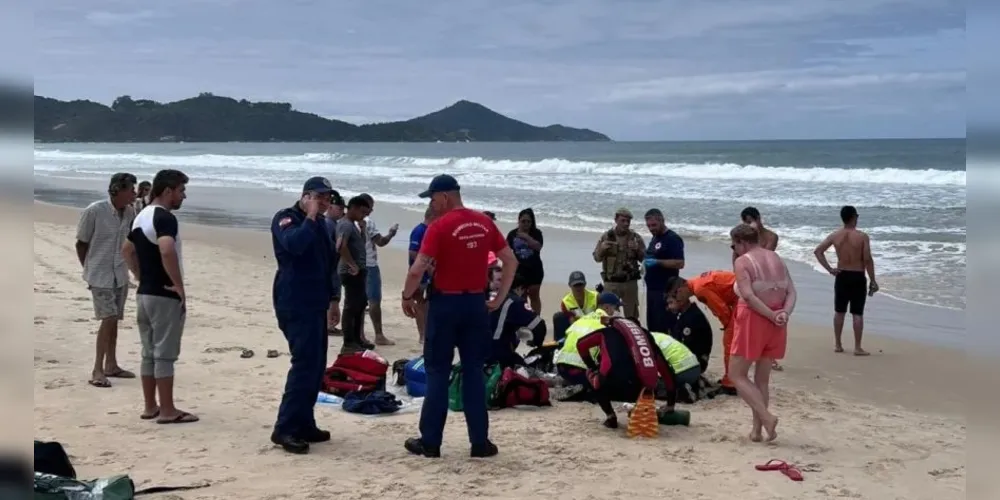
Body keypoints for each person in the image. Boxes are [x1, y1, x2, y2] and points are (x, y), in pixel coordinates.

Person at [400, 174, 516, 459]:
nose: (432, 204)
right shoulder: (484, 223)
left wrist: (406, 296)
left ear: (444, 197)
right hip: (475, 304)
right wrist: (498, 298)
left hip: (445, 304)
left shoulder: (439, 227)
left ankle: (430, 441)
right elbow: (510, 259)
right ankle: (479, 442)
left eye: (432, 198)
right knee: (474, 371)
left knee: (438, 371)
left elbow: (418, 269)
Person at [121, 169, 196, 425]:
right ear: (168, 191)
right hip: (164, 294)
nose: (183, 196)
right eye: (181, 191)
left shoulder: (141, 216)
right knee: (165, 354)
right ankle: (167, 409)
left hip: (145, 293)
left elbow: (127, 250)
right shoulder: (164, 218)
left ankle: (150, 406)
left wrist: (140, 275)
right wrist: (178, 285)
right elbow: (166, 249)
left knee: (148, 352)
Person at [268, 177, 336, 454]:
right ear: (306, 196)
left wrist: (334, 299)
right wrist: (309, 217)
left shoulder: (321, 224)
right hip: (294, 300)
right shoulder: (287, 218)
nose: (324, 203)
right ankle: (284, 427)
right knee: (304, 363)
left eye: (328, 198)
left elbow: (329, 262)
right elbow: (294, 245)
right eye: (319, 197)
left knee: (317, 365)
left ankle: (304, 421)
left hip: (317, 299)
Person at [730, 223, 797, 443]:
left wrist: (770, 314)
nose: (734, 250)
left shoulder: (743, 261)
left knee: (736, 374)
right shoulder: (776, 258)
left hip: (754, 320)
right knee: (762, 380)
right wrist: (784, 313)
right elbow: (791, 291)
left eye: (734, 245)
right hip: (777, 321)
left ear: (742, 242)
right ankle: (757, 431)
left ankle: (767, 417)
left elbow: (748, 296)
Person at [76, 172, 138, 388]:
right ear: (117, 190)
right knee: (108, 318)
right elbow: (81, 243)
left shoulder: (130, 211)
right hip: (99, 274)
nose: (134, 193)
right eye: (131, 189)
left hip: (119, 274)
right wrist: (89, 269)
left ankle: (111, 365)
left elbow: (130, 243)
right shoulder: (94, 211)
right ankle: (97, 369)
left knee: (114, 321)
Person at [577, 316, 677, 429]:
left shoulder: (607, 332)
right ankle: (642, 409)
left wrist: (592, 366)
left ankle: (611, 417)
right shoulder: (646, 338)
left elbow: (580, 344)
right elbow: (666, 371)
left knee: (592, 374)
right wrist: (670, 404)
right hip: (641, 392)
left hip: (610, 388)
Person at [813, 205, 878, 356]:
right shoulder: (862, 237)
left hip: (841, 275)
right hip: (857, 276)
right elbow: (867, 259)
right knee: (857, 313)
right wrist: (873, 280)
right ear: (854, 217)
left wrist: (830, 269)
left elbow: (818, 251)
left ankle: (838, 344)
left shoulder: (835, 235)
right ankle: (857, 347)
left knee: (839, 311)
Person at [668, 272, 739, 395]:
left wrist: (728, 327)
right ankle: (733, 378)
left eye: (676, 294)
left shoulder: (700, 289)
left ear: (681, 288)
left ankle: (730, 383)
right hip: (740, 291)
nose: (677, 299)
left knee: (729, 342)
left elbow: (722, 310)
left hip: (741, 295)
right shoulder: (697, 282)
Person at [738, 206, 783, 371]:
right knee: (752, 318)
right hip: (749, 279)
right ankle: (752, 353)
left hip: (769, 281)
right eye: (746, 222)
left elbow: (764, 256)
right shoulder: (744, 240)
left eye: (751, 221)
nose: (749, 225)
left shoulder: (771, 236)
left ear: (758, 219)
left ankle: (769, 356)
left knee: (769, 317)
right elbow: (740, 259)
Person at [357, 193, 399, 346]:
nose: (371, 210)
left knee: (357, 301)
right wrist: (391, 234)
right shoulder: (368, 222)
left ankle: (359, 334)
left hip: (354, 265)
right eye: (370, 207)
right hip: (369, 264)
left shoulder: (348, 221)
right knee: (374, 300)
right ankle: (379, 335)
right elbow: (380, 242)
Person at [554, 292, 620, 387]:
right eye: (616, 308)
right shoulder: (607, 324)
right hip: (580, 370)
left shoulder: (584, 318)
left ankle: (571, 383)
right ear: (606, 308)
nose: (618, 311)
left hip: (562, 368)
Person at [592, 208, 645, 319]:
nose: (626, 224)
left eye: (628, 221)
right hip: (611, 283)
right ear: (616, 219)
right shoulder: (606, 236)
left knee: (632, 316)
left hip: (629, 283)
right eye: (623, 220)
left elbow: (645, 259)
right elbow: (597, 258)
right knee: (609, 315)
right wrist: (601, 249)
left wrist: (637, 249)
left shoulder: (635, 238)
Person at [337, 196, 374, 353]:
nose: (364, 216)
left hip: (359, 270)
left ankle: (357, 339)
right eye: (362, 212)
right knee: (351, 306)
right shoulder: (345, 224)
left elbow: (358, 245)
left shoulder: (353, 225)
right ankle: (348, 342)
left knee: (359, 305)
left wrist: (363, 230)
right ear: (353, 208)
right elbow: (340, 246)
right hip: (350, 271)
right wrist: (352, 264)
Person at [487, 274, 546, 368]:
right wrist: (536, 343)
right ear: (520, 288)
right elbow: (539, 326)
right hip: (497, 355)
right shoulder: (514, 301)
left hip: (473, 353)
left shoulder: (488, 295)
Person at [642, 209, 685, 333]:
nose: (651, 228)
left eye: (654, 225)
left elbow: (680, 263)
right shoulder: (655, 238)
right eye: (649, 226)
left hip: (665, 291)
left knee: (664, 326)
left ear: (662, 220)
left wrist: (657, 262)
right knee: (653, 326)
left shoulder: (673, 239)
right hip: (652, 290)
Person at [666, 290, 713, 374]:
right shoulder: (686, 313)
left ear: (681, 300)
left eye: (671, 302)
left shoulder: (692, 318)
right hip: (693, 358)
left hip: (695, 362)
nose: (669, 307)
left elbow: (685, 347)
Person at [507, 208, 544, 314]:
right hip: (519, 270)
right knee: (521, 297)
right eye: (523, 221)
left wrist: (526, 237)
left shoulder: (536, 233)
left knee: (534, 295)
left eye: (528, 221)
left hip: (535, 269)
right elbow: (505, 250)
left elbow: (538, 247)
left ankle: (536, 318)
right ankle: (524, 318)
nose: (526, 224)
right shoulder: (512, 234)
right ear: (518, 221)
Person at [408, 206, 435, 344]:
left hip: (430, 276)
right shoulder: (419, 231)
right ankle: (422, 335)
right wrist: (427, 265)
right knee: (420, 306)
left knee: (428, 306)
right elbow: (413, 252)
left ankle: (427, 333)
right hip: (420, 275)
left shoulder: (431, 231)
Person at [551, 271, 599, 343]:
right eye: (575, 285)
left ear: (585, 284)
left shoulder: (596, 297)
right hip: (578, 327)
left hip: (594, 327)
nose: (578, 288)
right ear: (570, 285)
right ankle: (559, 344)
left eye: (580, 284)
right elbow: (572, 324)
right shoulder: (566, 302)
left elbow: (602, 316)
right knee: (558, 317)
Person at [325, 193, 346, 336]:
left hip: (333, 266)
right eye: (340, 209)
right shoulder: (328, 224)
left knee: (333, 296)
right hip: (331, 267)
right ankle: (329, 326)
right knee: (332, 296)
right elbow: (328, 248)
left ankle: (329, 324)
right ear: (331, 207)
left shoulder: (333, 224)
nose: (342, 212)